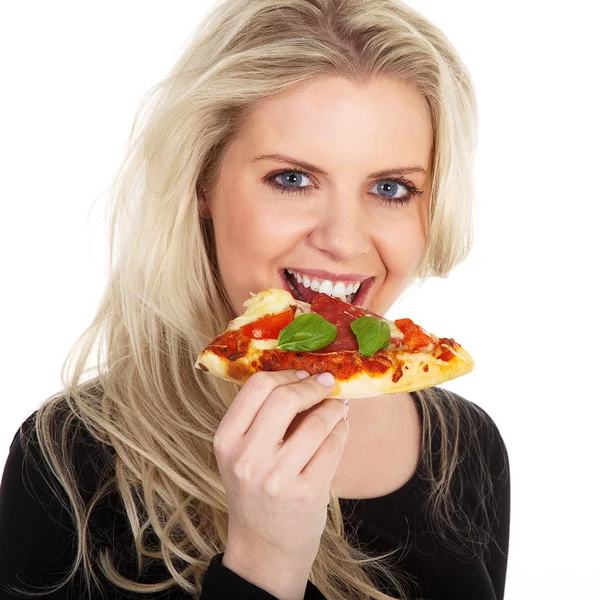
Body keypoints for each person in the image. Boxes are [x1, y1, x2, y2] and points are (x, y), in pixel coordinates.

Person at [0, 0, 510, 598]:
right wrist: (263, 561)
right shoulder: (68, 456)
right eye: (292, 178)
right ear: (203, 182)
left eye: (392, 188)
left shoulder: (468, 445)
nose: (344, 241)